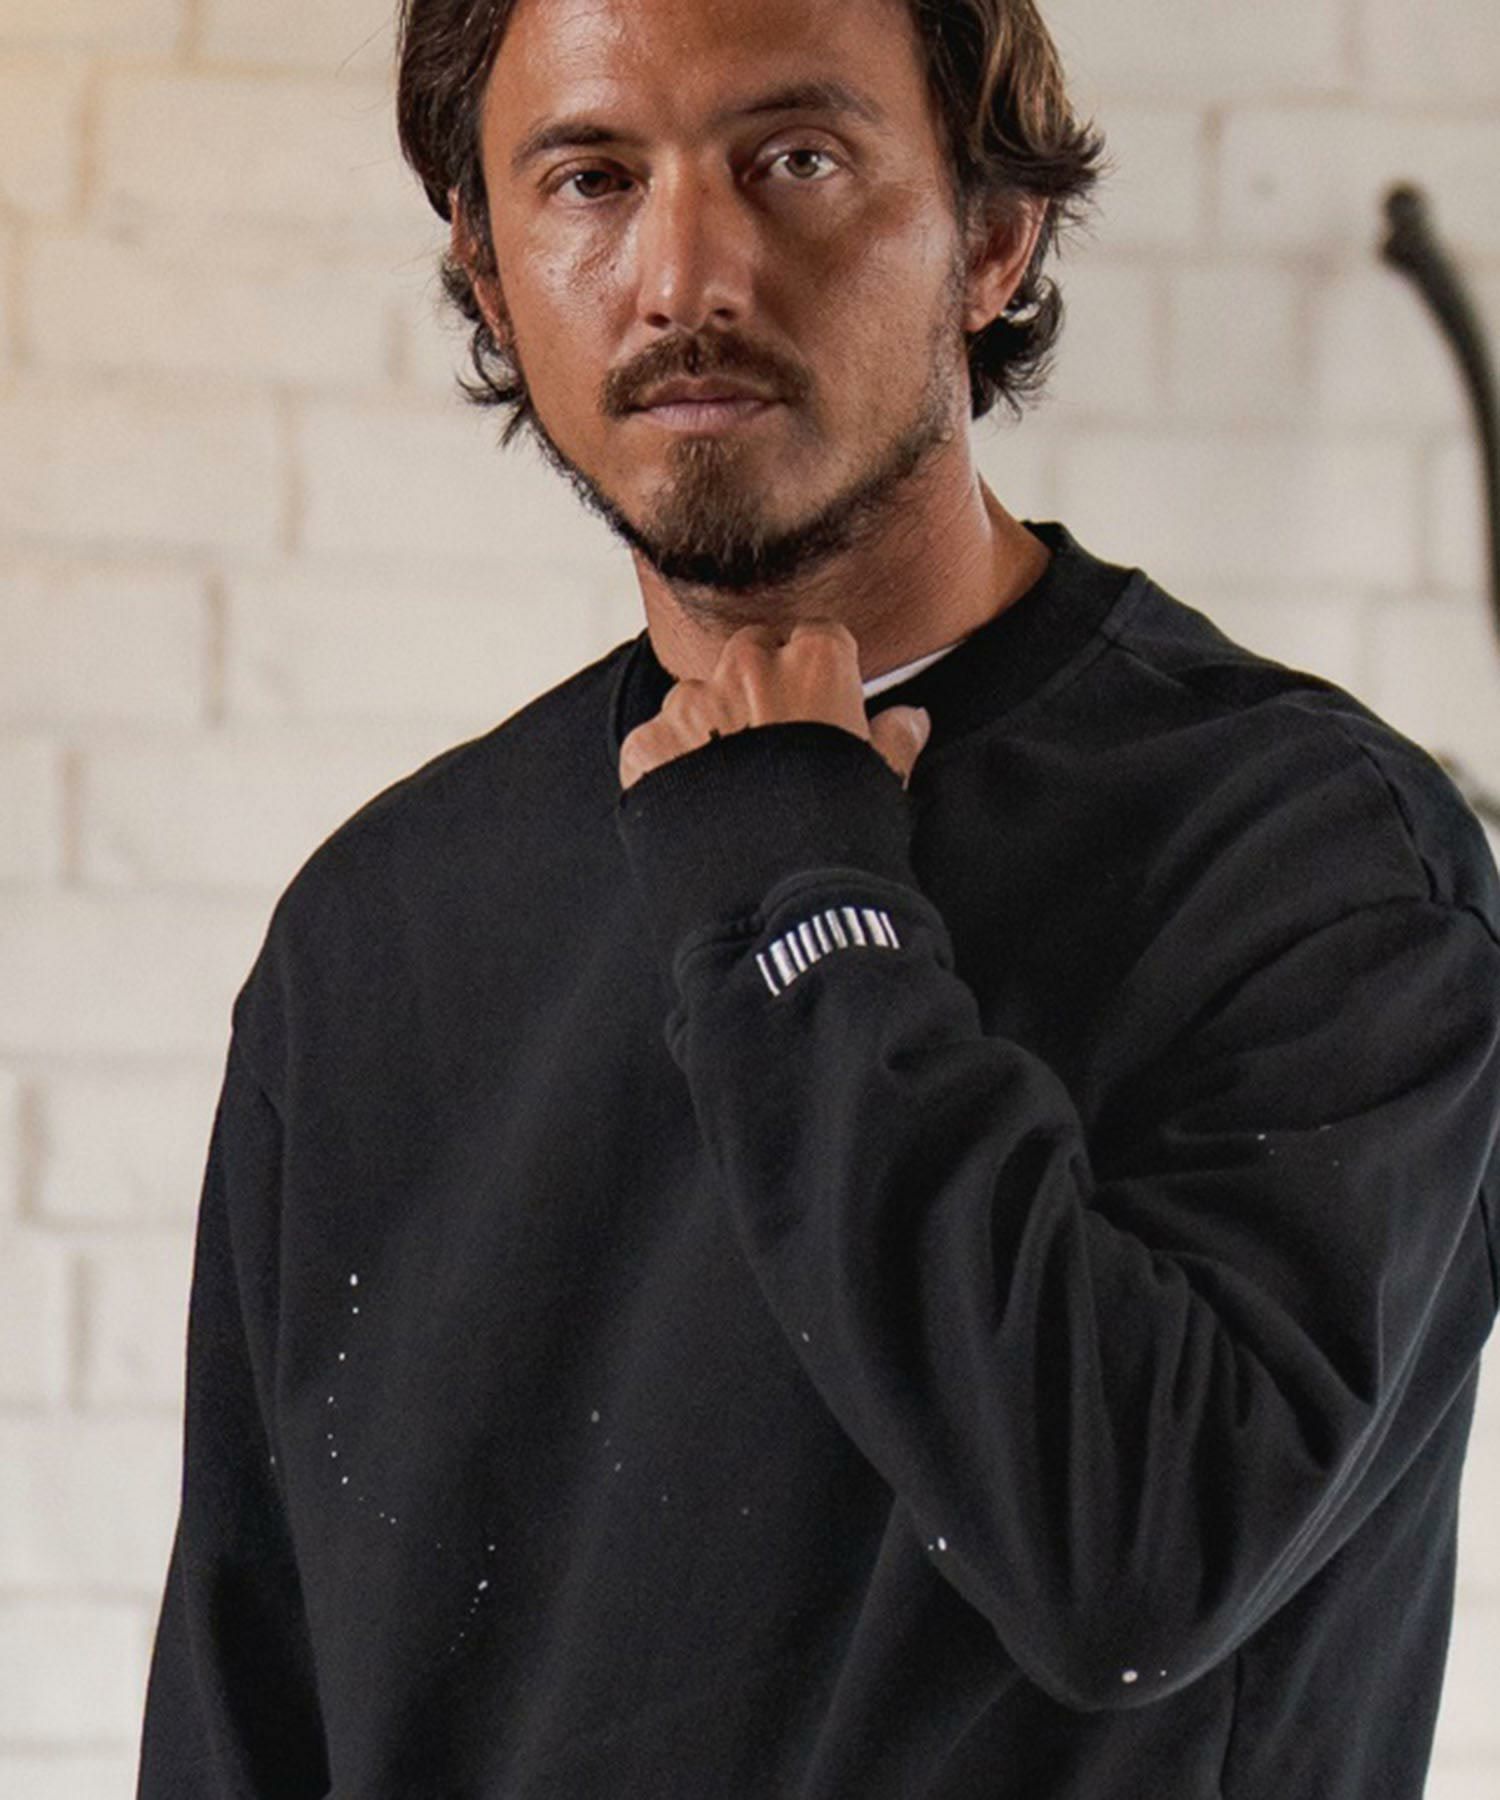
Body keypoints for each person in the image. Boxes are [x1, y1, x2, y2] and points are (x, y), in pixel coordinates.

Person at [137, 0, 1500, 1794]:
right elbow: (245, 1711)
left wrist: (795, 885)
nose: (684, 274)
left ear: (992, 236)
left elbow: (1133, 1571)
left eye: (795, 159)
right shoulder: (375, 932)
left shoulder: (1315, 855)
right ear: (485, 269)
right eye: (590, 178)